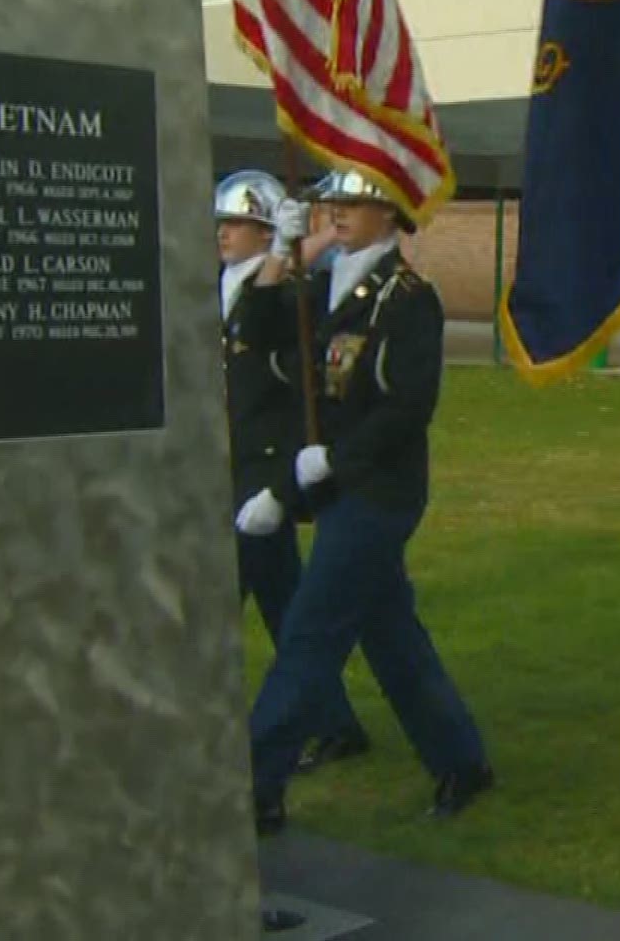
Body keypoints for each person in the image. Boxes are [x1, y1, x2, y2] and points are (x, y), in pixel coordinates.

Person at [241, 166, 494, 835]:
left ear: (391, 213)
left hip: (377, 489)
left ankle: (255, 785)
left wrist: (335, 459)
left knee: (309, 630)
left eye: (355, 201)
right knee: (390, 636)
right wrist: (279, 254)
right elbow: (254, 331)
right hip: (333, 486)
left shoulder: (407, 298)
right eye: (333, 201)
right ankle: (462, 761)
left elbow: (410, 406)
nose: (339, 212)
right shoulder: (326, 282)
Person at [216, 170, 372, 767]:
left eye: (238, 224)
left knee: (265, 601)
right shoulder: (226, 281)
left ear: (264, 232)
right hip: (230, 459)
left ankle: (316, 723)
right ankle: (333, 721)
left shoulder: (283, 295)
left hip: (263, 468)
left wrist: (295, 248)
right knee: (285, 606)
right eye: (224, 224)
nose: (225, 234)